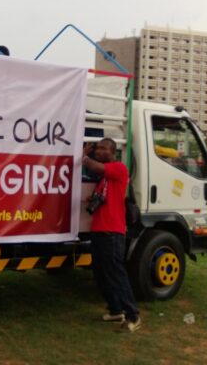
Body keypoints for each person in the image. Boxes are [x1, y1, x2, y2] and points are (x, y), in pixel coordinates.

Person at [82, 138, 141, 333]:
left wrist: (83, 155)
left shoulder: (118, 168)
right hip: (99, 231)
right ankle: (116, 310)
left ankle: (133, 316)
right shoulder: (104, 180)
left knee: (116, 275)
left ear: (113, 151)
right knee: (101, 273)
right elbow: (104, 198)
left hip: (112, 233)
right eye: (97, 148)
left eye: (103, 148)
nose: (99, 151)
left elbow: (95, 167)